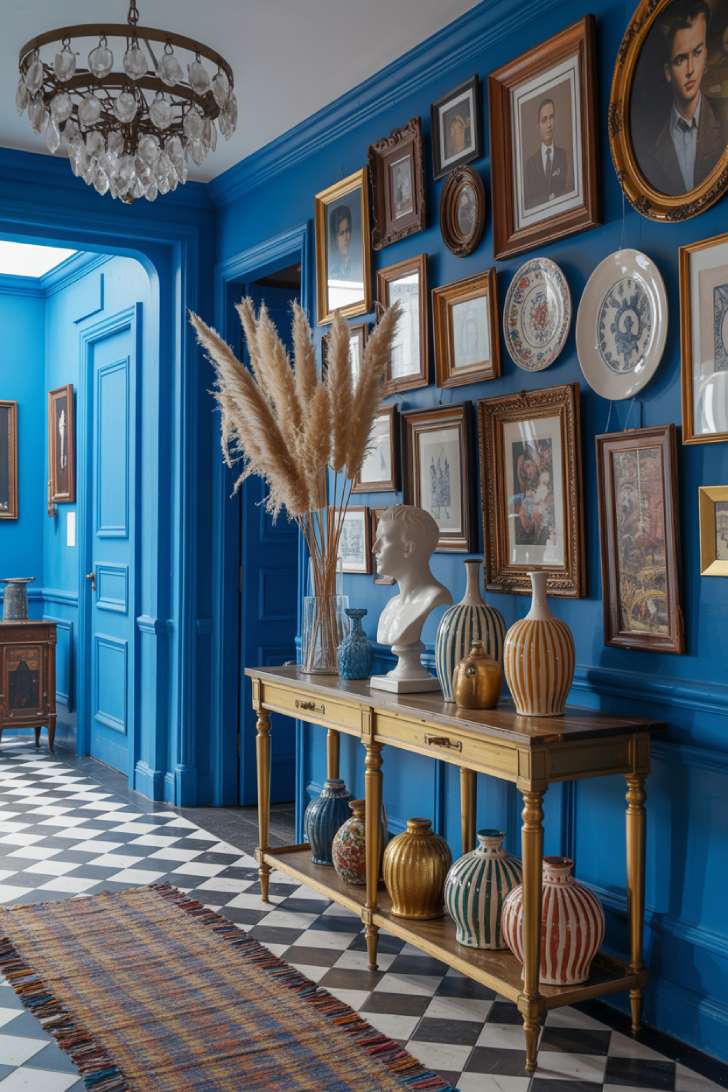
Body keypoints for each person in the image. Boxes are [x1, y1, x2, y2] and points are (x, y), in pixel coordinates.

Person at [645, 0, 727, 195]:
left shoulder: (724, 115)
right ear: (667, 71)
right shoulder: (652, 142)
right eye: (681, 59)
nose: (691, 70)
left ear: (706, 54)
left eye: (697, 53)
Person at [370, 506, 452, 691]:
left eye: (383, 540)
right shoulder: (392, 606)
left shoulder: (435, 597)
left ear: (409, 548)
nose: (375, 548)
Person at [523, 97, 571, 209]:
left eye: (551, 117)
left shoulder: (562, 155)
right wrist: (548, 199)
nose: (549, 124)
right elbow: (528, 202)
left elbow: (568, 189)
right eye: (544, 120)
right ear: (538, 126)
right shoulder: (531, 163)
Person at [328, 204, 356, 280]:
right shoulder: (331, 271)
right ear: (334, 238)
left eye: (348, 231)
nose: (346, 238)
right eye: (341, 233)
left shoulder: (357, 264)